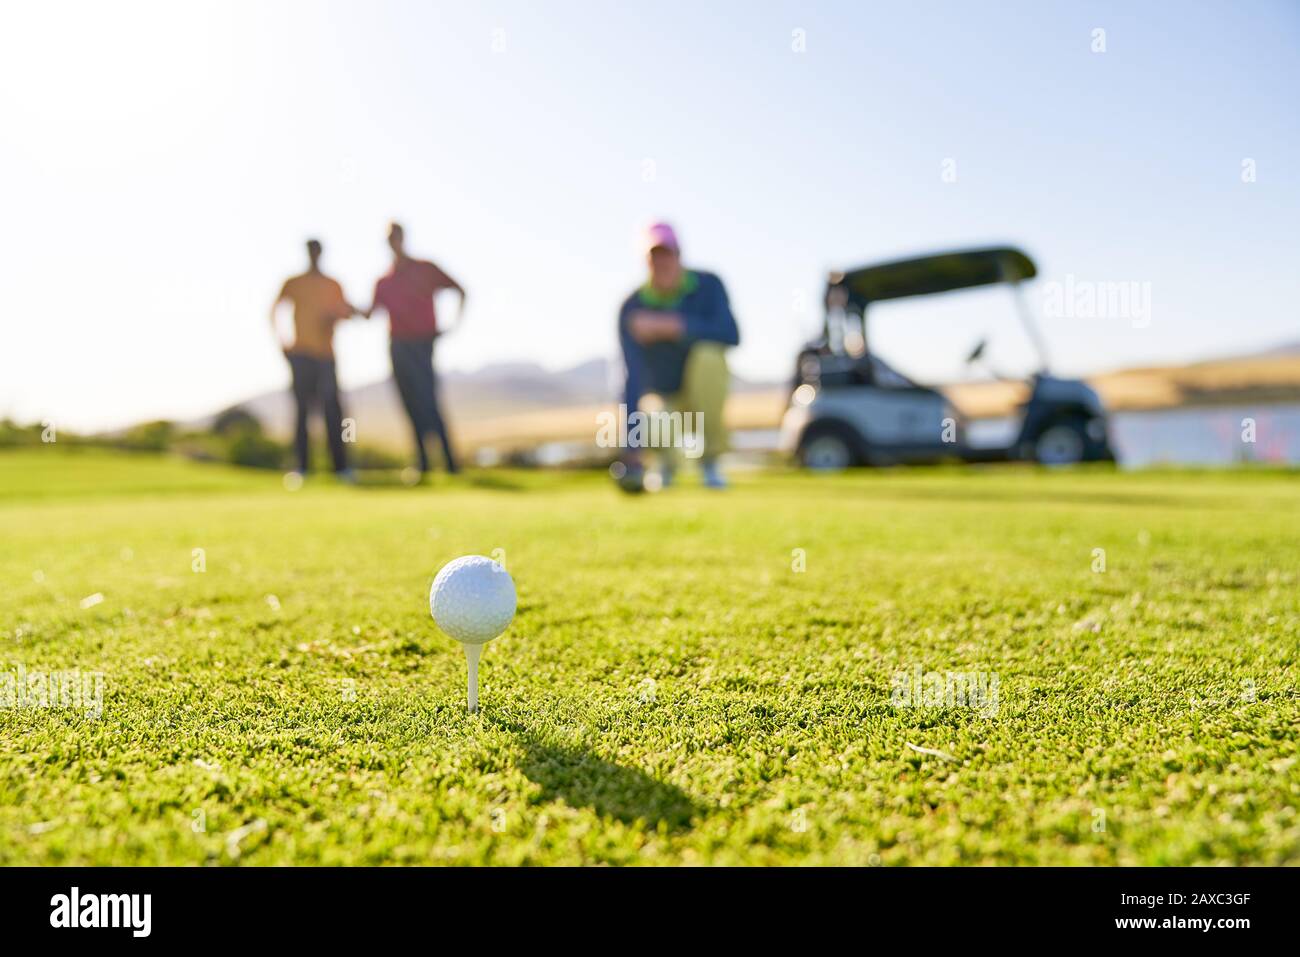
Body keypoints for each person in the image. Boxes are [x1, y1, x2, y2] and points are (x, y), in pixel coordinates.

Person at [618, 222, 739, 489]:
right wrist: (631, 446)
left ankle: (710, 463)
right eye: (654, 256)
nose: (661, 262)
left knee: (709, 356)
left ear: (679, 255)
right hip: (664, 397)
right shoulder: (632, 307)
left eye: (667, 254)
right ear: (645, 261)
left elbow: (732, 334)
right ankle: (664, 465)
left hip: (703, 390)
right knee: (653, 417)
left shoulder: (708, 285)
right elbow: (631, 377)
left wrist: (675, 326)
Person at [362, 223, 465, 476]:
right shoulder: (384, 281)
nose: (393, 242)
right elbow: (369, 313)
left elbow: (461, 291)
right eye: (389, 238)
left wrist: (450, 327)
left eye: (396, 237)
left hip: (422, 344)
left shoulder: (425, 269)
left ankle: (450, 464)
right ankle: (424, 464)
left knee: (428, 400)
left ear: (403, 237)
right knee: (409, 403)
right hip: (397, 345)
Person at [270, 239, 360, 480]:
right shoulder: (294, 283)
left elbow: (346, 312)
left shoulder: (333, 284)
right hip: (301, 355)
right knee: (301, 411)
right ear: (307, 253)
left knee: (338, 414)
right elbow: (274, 311)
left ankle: (343, 467)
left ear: (321, 253)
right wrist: (282, 343)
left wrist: (342, 314)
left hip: (327, 356)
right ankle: (302, 467)